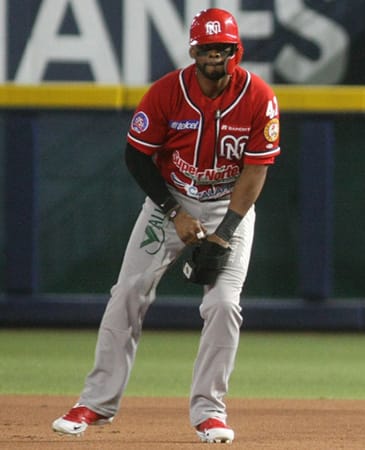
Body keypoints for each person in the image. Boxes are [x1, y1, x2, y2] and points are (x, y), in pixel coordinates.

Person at [51, 8, 281, 444]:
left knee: (224, 305)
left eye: (224, 49)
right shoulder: (166, 93)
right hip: (168, 203)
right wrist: (174, 211)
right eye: (208, 49)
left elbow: (255, 172)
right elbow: (136, 156)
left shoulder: (258, 97)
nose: (216, 57)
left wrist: (224, 232)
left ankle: (209, 412)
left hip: (228, 207)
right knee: (128, 293)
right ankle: (95, 404)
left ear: (237, 50)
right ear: (194, 51)